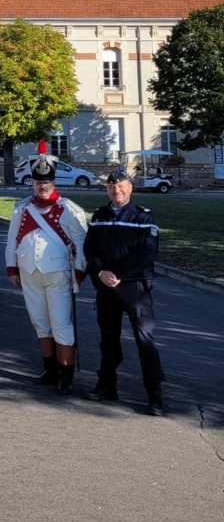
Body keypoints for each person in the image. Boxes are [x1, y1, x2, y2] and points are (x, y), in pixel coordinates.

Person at [5, 144, 88, 394]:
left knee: (61, 322)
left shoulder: (68, 209)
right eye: (39, 181)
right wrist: (12, 268)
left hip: (58, 274)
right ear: (32, 182)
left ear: (54, 181)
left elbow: (82, 243)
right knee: (41, 323)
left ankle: (66, 374)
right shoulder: (22, 207)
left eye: (47, 180)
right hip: (29, 273)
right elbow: (12, 240)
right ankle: (49, 370)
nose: (43, 185)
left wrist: (79, 272)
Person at [83, 168, 165, 416]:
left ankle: (155, 395)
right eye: (111, 187)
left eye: (120, 186)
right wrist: (100, 273)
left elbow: (147, 252)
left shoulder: (143, 217)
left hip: (134, 286)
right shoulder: (99, 216)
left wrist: (118, 273)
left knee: (144, 340)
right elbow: (89, 249)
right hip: (106, 286)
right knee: (108, 339)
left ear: (130, 188)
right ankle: (107, 385)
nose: (115, 190)